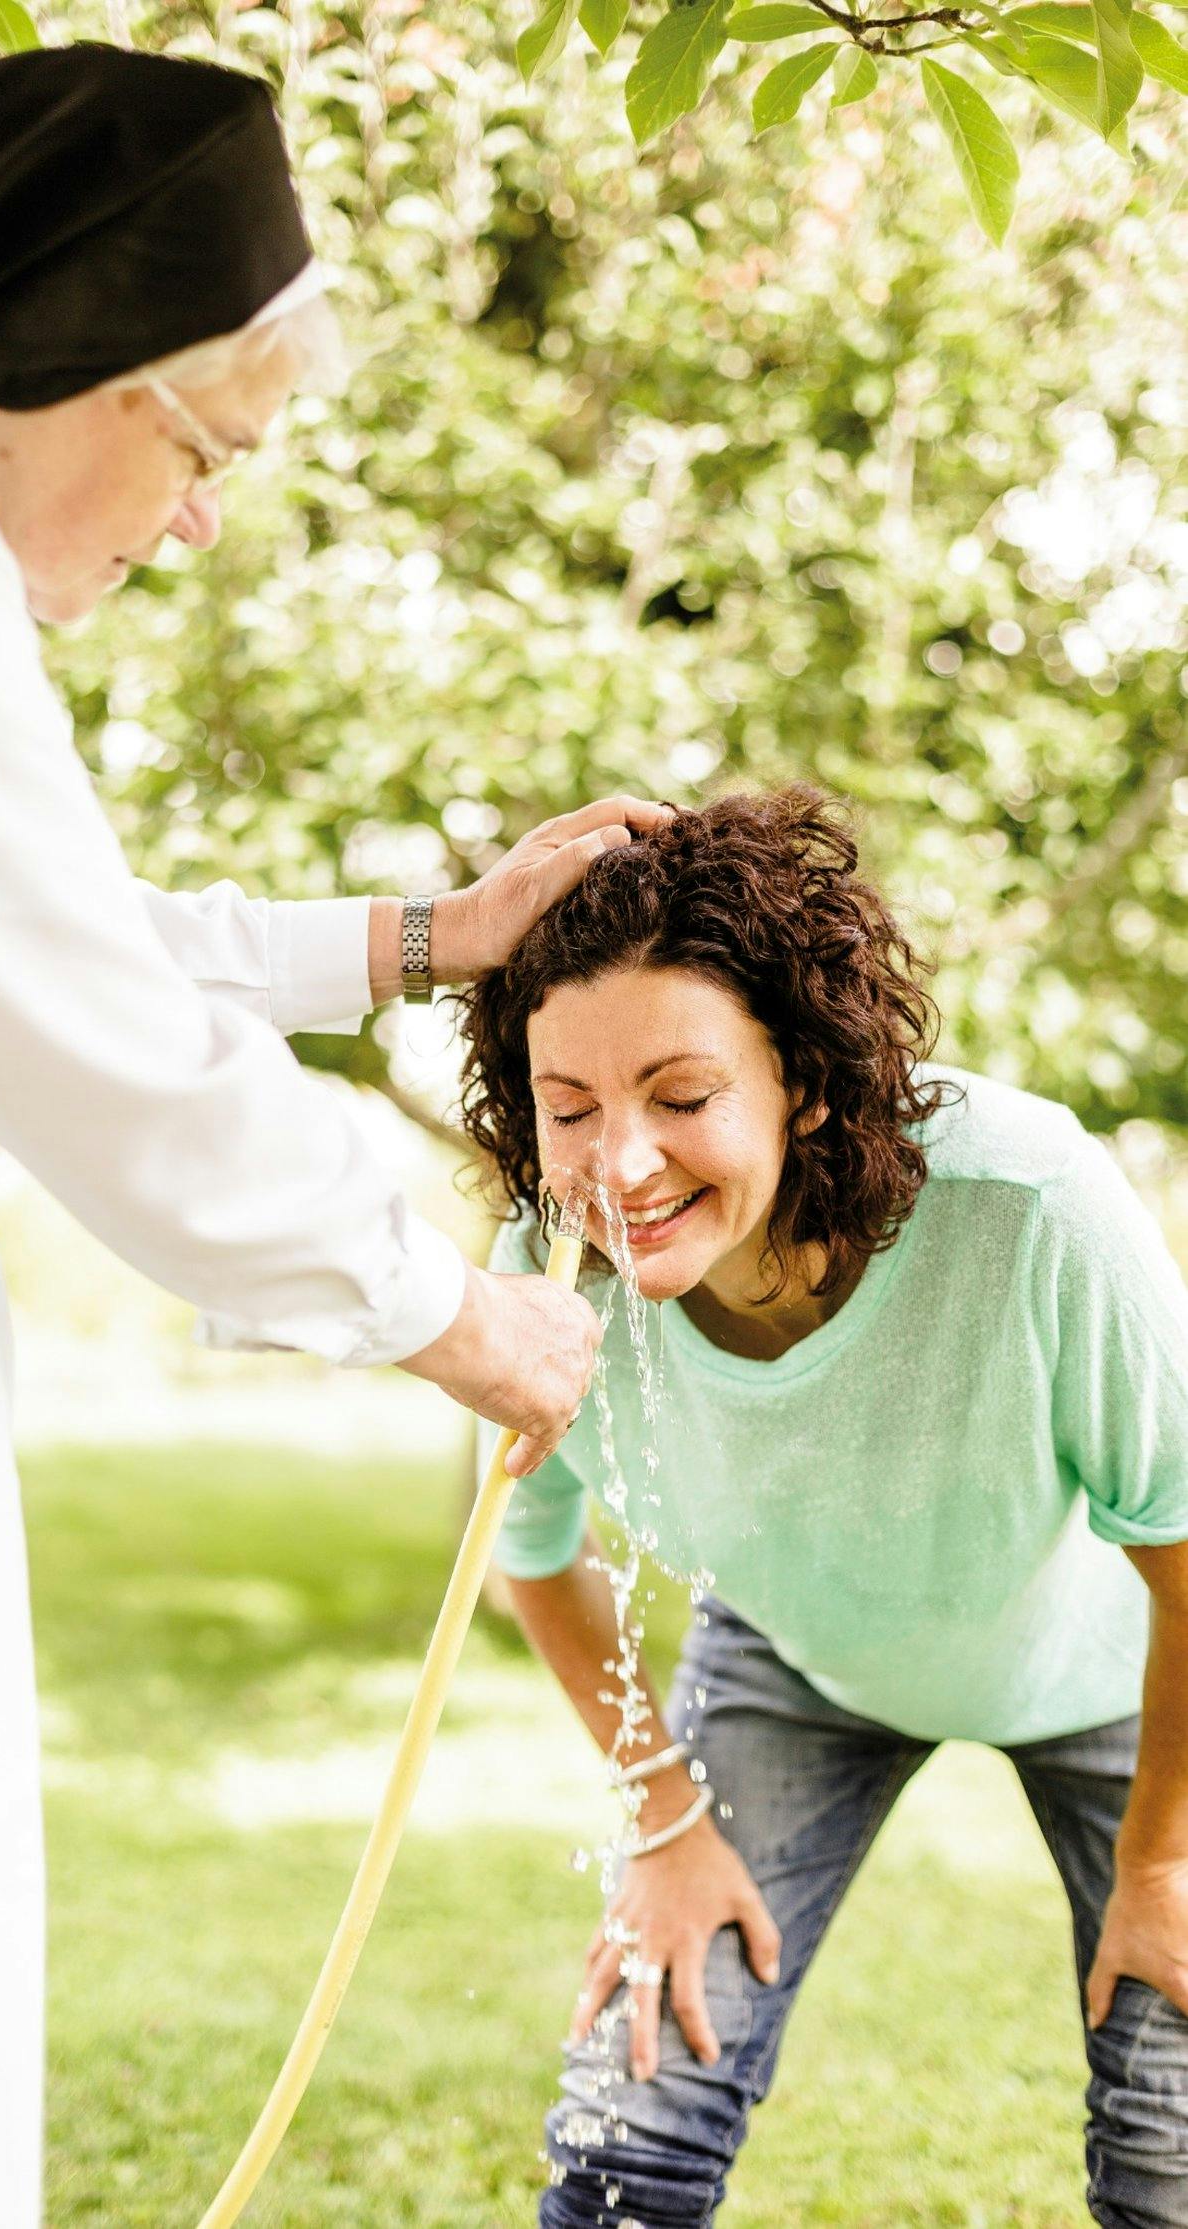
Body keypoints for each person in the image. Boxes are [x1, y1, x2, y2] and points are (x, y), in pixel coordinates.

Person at [0, 45, 654, 2229]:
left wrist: (424, 936)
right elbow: (69, 1028)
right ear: (84, 371)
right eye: (211, 449)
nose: (202, 519)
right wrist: (445, 1310)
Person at [459, 785, 1188, 2227]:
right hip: (796, 1661)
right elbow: (529, 1560)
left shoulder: (1030, 1205)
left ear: (799, 1076)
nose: (619, 1164)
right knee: (628, 2131)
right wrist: (663, 1818)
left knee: (1167, 2152)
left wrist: (1161, 1860)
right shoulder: (551, 1286)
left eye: (681, 1096)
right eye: (568, 1106)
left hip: (1118, 1674)